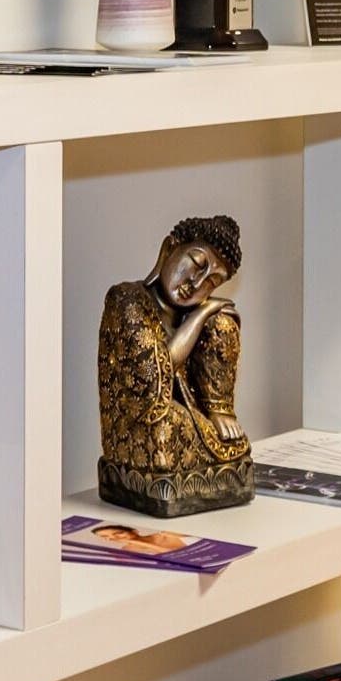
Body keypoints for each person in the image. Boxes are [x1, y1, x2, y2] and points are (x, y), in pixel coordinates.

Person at [97, 214, 252, 515]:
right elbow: (153, 374)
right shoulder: (126, 299)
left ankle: (219, 412)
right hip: (139, 422)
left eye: (212, 281)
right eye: (196, 263)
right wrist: (198, 315)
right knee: (166, 429)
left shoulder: (193, 314)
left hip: (189, 413)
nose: (196, 283)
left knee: (223, 323)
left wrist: (215, 411)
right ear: (168, 249)